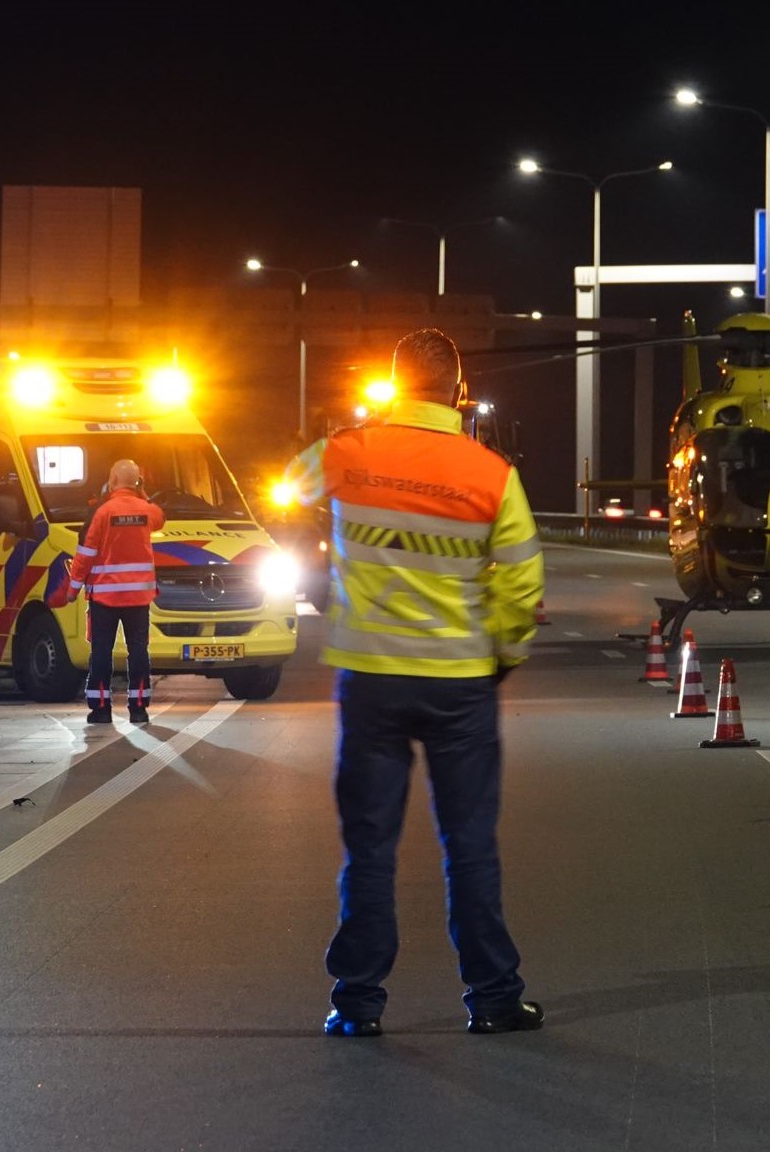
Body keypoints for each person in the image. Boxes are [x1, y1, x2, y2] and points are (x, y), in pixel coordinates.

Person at [286, 327, 546, 1038]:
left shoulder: (348, 452)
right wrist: (505, 651)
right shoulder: (490, 471)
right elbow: (522, 581)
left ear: (395, 385)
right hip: (459, 679)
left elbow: (287, 492)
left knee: (369, 847)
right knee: (469, 844)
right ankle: (492, 998)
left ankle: (357, 1003)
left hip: (370, 677)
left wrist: (324, 578)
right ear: (458, 392)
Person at [67, 458, 164, 724]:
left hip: (105, 597)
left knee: (101, 652)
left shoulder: (102, 511)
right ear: (138, 482)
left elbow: (86, 552)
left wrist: (73, 588)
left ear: (111, 481)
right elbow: (160, 518)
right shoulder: (146, 510)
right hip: (138, 598)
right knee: (139, 652)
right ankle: (139, 708)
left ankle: (100, 709)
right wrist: (141, 491)